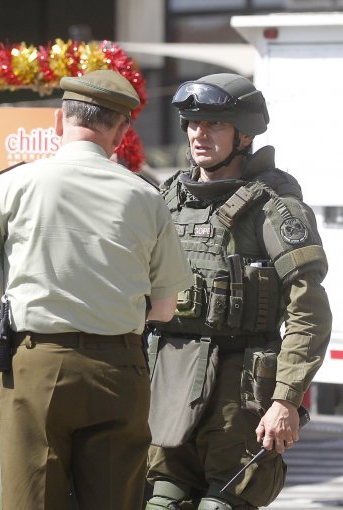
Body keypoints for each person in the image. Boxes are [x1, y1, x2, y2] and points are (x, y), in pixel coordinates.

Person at [0, 69, 192, 510]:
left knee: (31, 500)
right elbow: (166, 308)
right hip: (120, 365)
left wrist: (9, 294)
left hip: (36, 362)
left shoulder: (14, 184)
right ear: (120, 131)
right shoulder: (146, 196)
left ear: (59, 121)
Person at [144, 73, 332, 510]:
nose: (198, 134)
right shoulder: (169, 198)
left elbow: (309, 314)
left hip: (240, 390)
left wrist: (285, 399)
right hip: (169, 380)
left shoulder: (273, 209)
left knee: (225, 503)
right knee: (160, 500)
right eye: (192, 123)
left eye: (214, 125)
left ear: (244, 135)